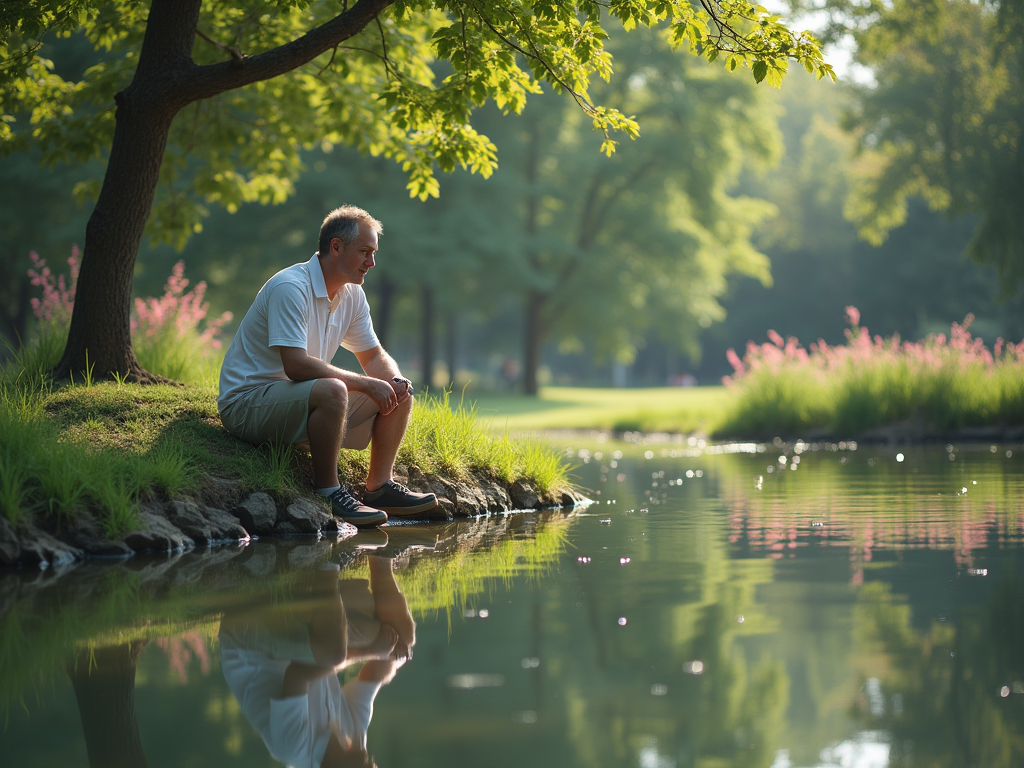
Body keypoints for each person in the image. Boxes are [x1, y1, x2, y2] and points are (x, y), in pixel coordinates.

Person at [218, 206, 437, 528]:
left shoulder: (353, 295)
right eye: (364, 252)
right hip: (247, 404)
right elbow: (296, 366)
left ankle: (379, 488)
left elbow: (374, 355)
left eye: (374, 253)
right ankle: (329, 492)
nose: (372, 262)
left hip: (295, 401)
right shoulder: (290, 287)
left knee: (399, 391)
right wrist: (364, 384)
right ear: (336, 247)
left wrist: (393, 381)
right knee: (334, 388)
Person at [220, 559, 415, 768]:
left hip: (246, 637)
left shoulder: (293, 749)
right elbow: (375, 675)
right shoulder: (356, 743)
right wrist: (396, 657)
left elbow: (298, 674)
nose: (375, 766)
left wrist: (369, 652)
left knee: (333, 653)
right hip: (293, 638)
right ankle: (382, 557)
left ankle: (326, 561)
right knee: (402, 638)